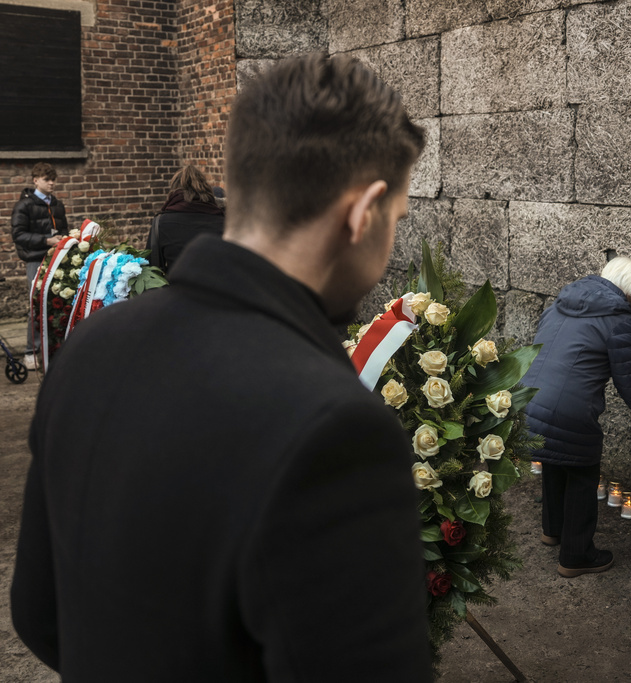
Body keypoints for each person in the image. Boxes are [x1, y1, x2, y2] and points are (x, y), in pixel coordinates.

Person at [11, 54, 431, 681]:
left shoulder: (92, 347)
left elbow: (38, 613)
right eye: (395, 220)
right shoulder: (338, 430)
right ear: (362, 212)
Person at [521, 257, 631, 578]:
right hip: (570, 409)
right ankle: (576, 555)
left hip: (528, 399)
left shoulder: (560, 302)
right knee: (582, 471)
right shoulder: (620, 319)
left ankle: (552, 530)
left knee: (556, 457)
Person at [10, 162, 68, 370]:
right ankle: (30, 352)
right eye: (47, 179)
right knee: (36, 305)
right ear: (36, 180)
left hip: (57, 259)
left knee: (57, 303)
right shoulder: (24, 205)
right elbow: (18, 235)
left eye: (53, 179)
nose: (52, 183)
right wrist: (46, 240)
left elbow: (64, 230)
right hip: (36, 260)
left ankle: (54, 349)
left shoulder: (57, 204)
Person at [145, 164, 226, 273]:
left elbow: (150, 269)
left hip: (177, 288)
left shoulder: (161, 223)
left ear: (174, 190)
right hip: (217, 288)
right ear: (205, 188)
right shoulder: (223, 221)